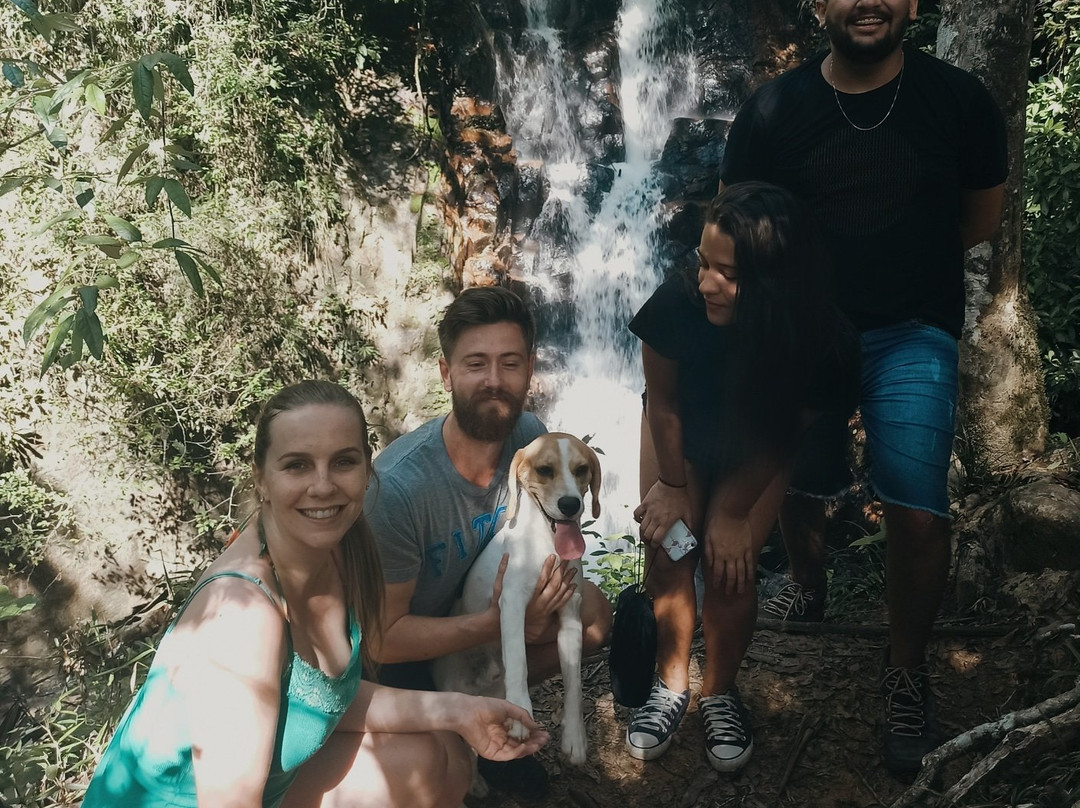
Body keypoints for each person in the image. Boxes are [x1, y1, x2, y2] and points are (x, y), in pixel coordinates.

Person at [718, 0, 1008, 778]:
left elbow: (981, 214)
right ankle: (808, 586)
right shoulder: (775, 110)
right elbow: (736, 224)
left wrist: (901, 263)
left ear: (914, 3)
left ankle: (906, 672)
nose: (867, 2)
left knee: (917, 509)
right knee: (798, 478)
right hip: (804, 331)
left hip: (912, 329)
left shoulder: (957, 100)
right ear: (820, 4)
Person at [82, 380, 547, 808]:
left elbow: (322, 697)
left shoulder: (342, 548)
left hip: (269, 782)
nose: (323, 486)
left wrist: (460, 710)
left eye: (343, 461)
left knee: (440, 753)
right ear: (261, 477)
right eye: (297, 464)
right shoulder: (244, 620)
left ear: (368, 468)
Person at [626, 182, 859, 773]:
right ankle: (671, 684)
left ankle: (719, 692)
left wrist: (730, 516)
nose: (706, 282)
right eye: (703, 263)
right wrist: (675, 486)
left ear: (772, 278)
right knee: (671, 545)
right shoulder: (676, 304)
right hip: (680, 437)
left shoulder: (823, 340)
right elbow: (664, 403)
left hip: (759, 444)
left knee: (729, 565)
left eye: (725, 272)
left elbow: (787, 433)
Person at [363, 286, 613, 796]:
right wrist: (494, 622)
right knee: (438, 781)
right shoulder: (399, 489)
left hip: (489, 617)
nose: (494, 381)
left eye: (509, 363)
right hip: (402, 659)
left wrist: (527, 610)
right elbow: (380, 638)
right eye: (476, 363)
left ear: (530, 368)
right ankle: (457, 735)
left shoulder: (531, 437)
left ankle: (493, 715)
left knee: (594, 615)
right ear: (445, 372)